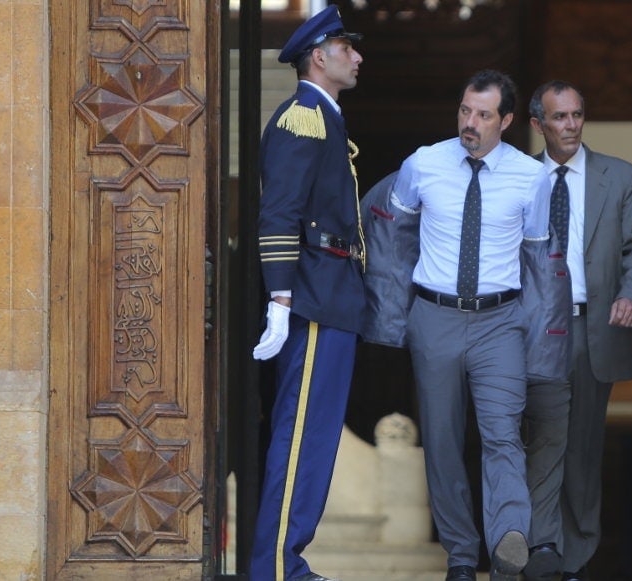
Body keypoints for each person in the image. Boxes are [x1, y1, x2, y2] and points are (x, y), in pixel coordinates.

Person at [388, 70, 552, 581]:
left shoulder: (532, 177)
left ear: (506, 120)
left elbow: (537, 259)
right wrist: (397, 314)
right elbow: (396, 236)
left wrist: (540, 334)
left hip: (499, 321)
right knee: (440, 440)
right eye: (464, 110)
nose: (470, 122)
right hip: (433, 316)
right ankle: (461, 557)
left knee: (503, 435)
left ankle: (508, 541)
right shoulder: (423, 163)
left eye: (483, 115)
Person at [520, 81, 632, 581]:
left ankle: (573, 558)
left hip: (588, 327)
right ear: (538, 124)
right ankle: (541, 548)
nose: (571, 125)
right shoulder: (516, 177)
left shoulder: (620, 177)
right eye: (560, 118)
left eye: (578, 115)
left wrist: (631, 294)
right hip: (530, 331)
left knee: (580, 445)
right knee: (536, 438)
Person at [248, 6, 366, 581]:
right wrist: (279, 298)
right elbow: (280, 214)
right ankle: (276, 567)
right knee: (301, 438)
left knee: (315, 439)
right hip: (314, 296)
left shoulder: (327, 117)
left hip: (332, 294)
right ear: (320, 55)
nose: (358, 56)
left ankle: (287, 561)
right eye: (349, 47)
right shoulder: (303, 116)